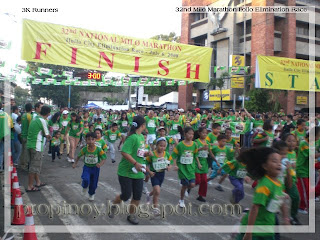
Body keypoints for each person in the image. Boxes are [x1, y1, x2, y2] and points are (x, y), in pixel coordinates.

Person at [236, 147, 290, 240]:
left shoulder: (279, 183)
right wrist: (248, 233)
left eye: (280, 162)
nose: (279, 164)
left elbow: (281, 200)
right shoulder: (264, 185)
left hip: (268, 228)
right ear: (265, 166)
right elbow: (255, 208)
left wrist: (286, 218)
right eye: (274, 161)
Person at [109, 115, 149, 225]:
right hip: (126, 172)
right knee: (126, 195)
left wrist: (146, 153)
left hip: (138, 172)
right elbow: (124, 152)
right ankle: (114, 204)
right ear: (142, 125)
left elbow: (138, 152)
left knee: (137, 196)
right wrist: (135, 163)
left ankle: (131, 215)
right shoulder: (132, 137)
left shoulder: (141, 137)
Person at [171, 127, 201, 208]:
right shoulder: (180, 145)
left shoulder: (195, 144)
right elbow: (174, 155)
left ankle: (186, 188)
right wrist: (175, 165)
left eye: (192, 134)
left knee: (192, 184)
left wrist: (198, 163)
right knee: (184, 185)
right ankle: (181, 200)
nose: (191, 135)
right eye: (189, 134)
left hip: (191, 168)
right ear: (185, 134)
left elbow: (195, 155)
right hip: (182, 169)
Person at [73, 132, 107, 201]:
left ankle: (91, 194)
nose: (91, 141)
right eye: (89, 139)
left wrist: (100, 164)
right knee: (85, 179)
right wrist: (75, 163)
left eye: (92, 139)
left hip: (95, 168)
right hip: (87, 167)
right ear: (86, 140)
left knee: (94, 183)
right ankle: (84, 187)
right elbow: (78, 156)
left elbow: (104, 158)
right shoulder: (84, 149)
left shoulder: (98, 149)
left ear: (95, 140)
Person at [26, 106, 51, 192]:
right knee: (34, 167)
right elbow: (47, 135)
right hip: (36, 146)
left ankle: (38, 182)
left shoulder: (35, 117)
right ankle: (30, 186)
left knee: (34, 165)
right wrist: (50, 136)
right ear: (48, 113)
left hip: (29, 144)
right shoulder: (43, 121)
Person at [145, 137, 172, 216]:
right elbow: (145, 164)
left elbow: (170, 163)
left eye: (164, 146)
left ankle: (149, 195)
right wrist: (149, 172)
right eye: (160, 145)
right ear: (156, 145)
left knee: (156, 190)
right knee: (157, 191)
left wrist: (169, 167)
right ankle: (155, 208)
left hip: (162, 174)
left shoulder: (166, 154)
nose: (162, 147)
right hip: (154, 174)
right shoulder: (152, 154)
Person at [296, 127, 320, 214]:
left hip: (308, 170)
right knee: (304, 190)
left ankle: (305, 205)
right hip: (302, 170)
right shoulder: (304, 143)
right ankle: (302, 207)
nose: (318, 138)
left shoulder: (311, 143)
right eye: (318, 136)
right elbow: (312, 155)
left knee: (307, 189)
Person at [194, 127, 211, 202]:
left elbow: (210, 152)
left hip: (204, 163)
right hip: (197, 162)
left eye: (206, 133)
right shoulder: (196, 142)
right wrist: (201, 149)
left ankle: (201, 195)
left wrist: (215, 160)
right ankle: (188, 186)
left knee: (204, 181)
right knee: (197, 180)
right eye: (203, 133)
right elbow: (194, 152)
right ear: (199, 133)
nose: (205, 134)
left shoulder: (207, 142)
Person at [19, 103, 33, 171]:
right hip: (28, 136)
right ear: (31, 108)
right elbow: (31, 126)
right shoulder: (30, 116)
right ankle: (25, 165)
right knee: (26, 152)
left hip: (23, 135)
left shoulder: (23, 115)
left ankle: (22, 164)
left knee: (23, 151)